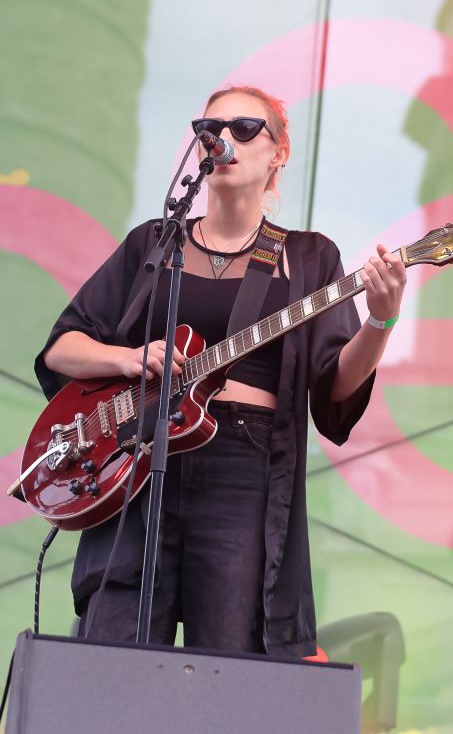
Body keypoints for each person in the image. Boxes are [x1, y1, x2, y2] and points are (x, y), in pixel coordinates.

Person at [35, 85, 406, 658]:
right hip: (139, 458)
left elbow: (335, 384)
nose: (223, 138)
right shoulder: (154, 245)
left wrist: (380, 321)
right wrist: (127, 358)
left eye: (244, 128)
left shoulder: (310, 258)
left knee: (229, 660)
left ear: (278, 152)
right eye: (210, 129)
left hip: (242, 464)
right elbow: (63, 347)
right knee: (113, 649)